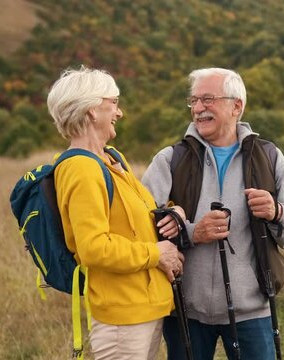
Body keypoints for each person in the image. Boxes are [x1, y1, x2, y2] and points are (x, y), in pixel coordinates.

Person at [142, 67, 284, 360]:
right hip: (184, 309)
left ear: (237, 106)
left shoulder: (269, 157)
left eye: (208, 99)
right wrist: (193, 232)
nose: (198, 108)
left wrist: (276, 211)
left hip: (253, 311)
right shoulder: (169, 159)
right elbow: (139, 229)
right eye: (193, 101)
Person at [46, 65, 185, 360]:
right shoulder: (81, 169)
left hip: (144, 308)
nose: (119, 113)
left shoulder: (112, 158)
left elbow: (141, 216)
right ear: (92, 110)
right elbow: (93, 248)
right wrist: (157, 254)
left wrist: (175, 214)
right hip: (123, 317)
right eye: (114, 103)